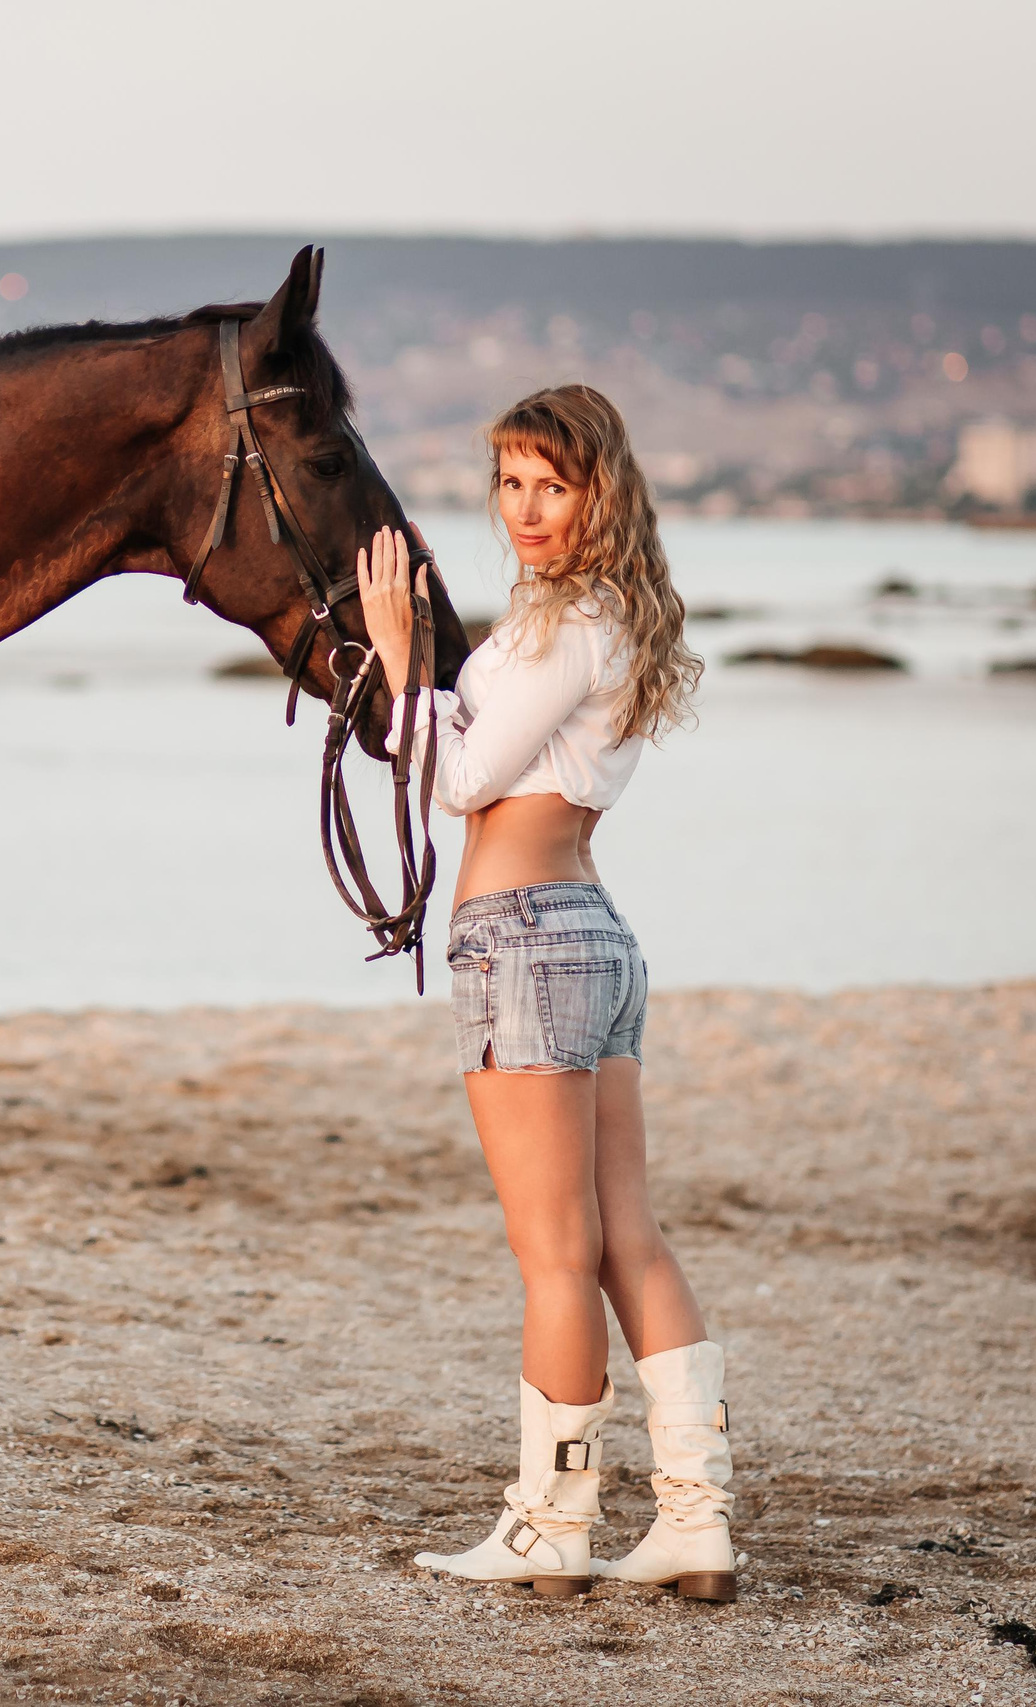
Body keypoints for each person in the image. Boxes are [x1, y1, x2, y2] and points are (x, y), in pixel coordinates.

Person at [354, 385, 734, 1601]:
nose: (524, 507)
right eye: (509, 482)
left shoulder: (563, 625)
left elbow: (459, 778)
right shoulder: (609, 618)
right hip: (591, 932)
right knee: (626, 1236)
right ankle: (694, 1521)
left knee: (557, 1255)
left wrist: (408, 662)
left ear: (597, 492)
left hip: (523, 936)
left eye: (549, 484)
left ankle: (549, 1526)